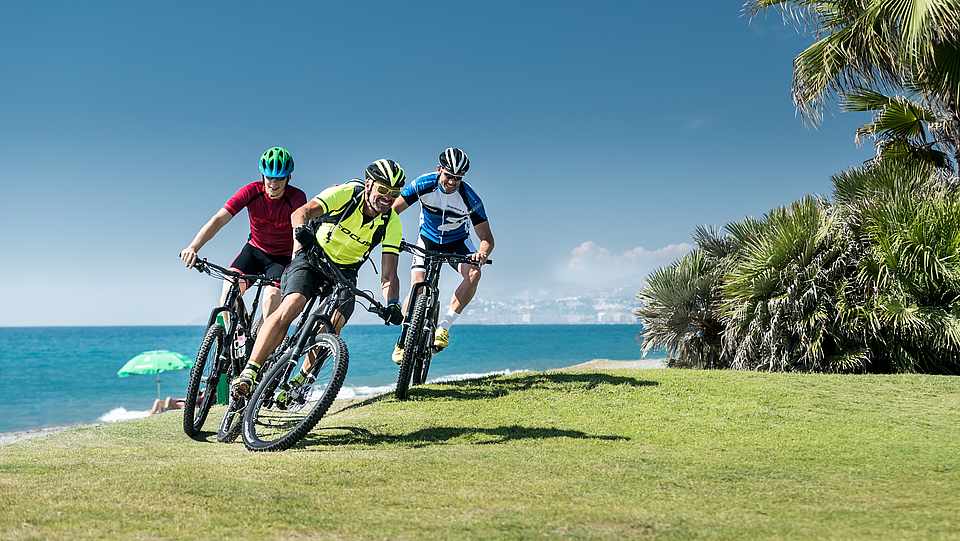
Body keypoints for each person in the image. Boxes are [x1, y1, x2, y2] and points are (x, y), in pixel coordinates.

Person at [230, 159, 407, 398]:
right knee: (292, 304)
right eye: (383, 189)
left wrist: (393, 303)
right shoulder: (346, 194)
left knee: (335, 323)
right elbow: (300, 213)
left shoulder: (391, 222)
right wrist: (301, 234)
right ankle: (249, 373)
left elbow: (388, 275)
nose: (387, 197)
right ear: (368, 184)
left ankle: (300, 381)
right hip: (312, 256)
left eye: (394, 193)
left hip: (345, 273)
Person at [391, 147, 494, 363]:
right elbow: (393, 211)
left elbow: (487, 239)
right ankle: (402, 341)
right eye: (449, 176)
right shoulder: (423, 184)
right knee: (417, 287)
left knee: (474, 274)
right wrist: (392, 236)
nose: (452, 182)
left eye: (458, 178)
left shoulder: (470, 198)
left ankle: (444, 327)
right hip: (427, 240)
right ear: (439, 169)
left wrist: (481, 254)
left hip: (457, 243)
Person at [179, 146, 307, 320]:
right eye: (269, 177)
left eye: (279, 178)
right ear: (262, 176)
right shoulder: (251, 192)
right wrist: (193, 247)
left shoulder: (296, 198)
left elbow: (298, 232)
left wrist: (296, 261)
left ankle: (265, 336)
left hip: (281, 259)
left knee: (271, 299)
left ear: (288, 178)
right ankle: (235, 332)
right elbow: (219, 219)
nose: (273, 184)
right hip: (254, 251)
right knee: (228, 290)